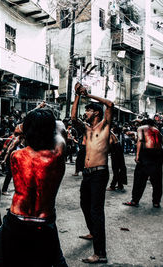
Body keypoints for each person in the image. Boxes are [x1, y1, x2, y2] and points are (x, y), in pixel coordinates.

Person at [0, 109, 67, 266]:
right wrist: (43, 123)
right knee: (55, 260)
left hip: (16, 220)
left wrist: (27, 125)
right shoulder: (57, 154)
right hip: (44, 221)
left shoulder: (17, 156)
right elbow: (60, 125)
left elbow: (21, 132)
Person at [71, 82, 114, 264]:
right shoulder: (87, 130)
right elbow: (73, 117)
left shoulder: (104, 127)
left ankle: (100, 253)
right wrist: (77, 95)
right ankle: (92, 231)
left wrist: (89, 96)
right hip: (88, 173)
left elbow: (110, 105)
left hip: (99, 173)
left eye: (88, 111)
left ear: (96, 112)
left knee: (97, 211)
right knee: (84, 203)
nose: (85, 113)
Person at [123, 119, 162, 208]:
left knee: (140, 178)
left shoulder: (141, 128)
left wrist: (137, 155)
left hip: (146, 153)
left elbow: (140, 140)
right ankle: (156, 202)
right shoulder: (157, 130)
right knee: (157, 180)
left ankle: (134, 200)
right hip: (158, 154)